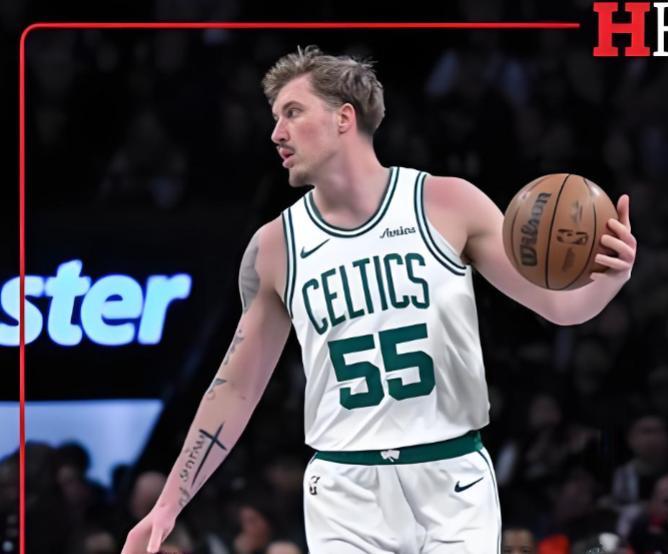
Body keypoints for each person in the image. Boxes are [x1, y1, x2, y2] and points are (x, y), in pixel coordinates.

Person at [122, 45, 637, 554]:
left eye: (292, 112)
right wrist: (169, 503)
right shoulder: (275, 246)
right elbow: (235, 388)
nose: (276, 132)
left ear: (344, 117)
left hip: (452, 477)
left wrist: (611, 277)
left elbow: (561, 307)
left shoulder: (447, 203)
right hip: (344, 489)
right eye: (275, 117)